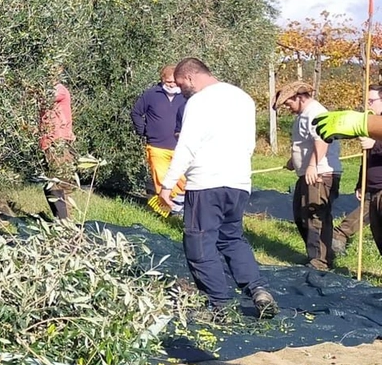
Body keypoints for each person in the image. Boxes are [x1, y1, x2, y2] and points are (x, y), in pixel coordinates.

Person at [160, 58, 278, 317]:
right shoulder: (243, 98)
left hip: (206, 183)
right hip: (238, 182)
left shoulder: (199, 102)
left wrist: (167, 184)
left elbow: (188, 145)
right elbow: (249, 143)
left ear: (190, 77)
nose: (181, 91)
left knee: (199, 242)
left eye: (181, 85)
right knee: (232, 238)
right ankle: (258, 289)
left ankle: (219, 305)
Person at [275, 81, 342, 270]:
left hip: (320, 173)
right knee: (301, 215)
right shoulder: (303, 115)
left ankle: (320, 261)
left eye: (288, 103)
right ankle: (317, 255)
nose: (288, 107)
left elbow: (322, 139)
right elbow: (304, 143)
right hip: (308, 173)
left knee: (315, 216)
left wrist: (312, 165)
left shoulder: (315, 112)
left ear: (298, 97)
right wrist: (294, 160)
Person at [331, 86, 382, 257]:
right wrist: (362, 183)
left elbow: (374, 149)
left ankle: (341, 232)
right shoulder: (370, 124)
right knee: (378, 234)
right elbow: (366, 158)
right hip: (373, 187)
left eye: (372, 101)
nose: (368, 104)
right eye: (366, 101)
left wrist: (375, 144)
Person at [131, 65, 187, 214]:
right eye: (169, 82)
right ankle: (168, 213)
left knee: (183, 181)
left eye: (175, 82)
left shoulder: (185, 97)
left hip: (180, 147)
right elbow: (136, 113)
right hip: (157, 146)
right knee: (162, 181)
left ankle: (184, 208)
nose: (173, 85)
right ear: (163, 79)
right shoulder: (151, 95)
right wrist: (143, 131)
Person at [39, 77, 76, 220]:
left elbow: (46, 97)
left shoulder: (59, 89)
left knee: (59, 184)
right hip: (49, 143)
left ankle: (65, 223)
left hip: (57, 142)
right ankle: (62, 222)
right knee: (51, 185)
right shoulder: (51, 90)